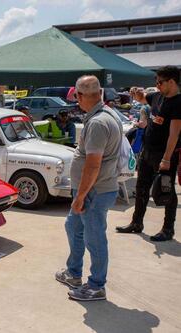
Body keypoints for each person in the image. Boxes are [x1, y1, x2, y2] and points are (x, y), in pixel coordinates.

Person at [56, 75, 122, 301]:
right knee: (73, 227)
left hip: (94, 191)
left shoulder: (97, 123)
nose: (76, 102)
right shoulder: (104, 115)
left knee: (94, 238)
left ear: (81, 95)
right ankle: (74, 272)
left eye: (76, 97)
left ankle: (96, 285)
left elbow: (93, 164)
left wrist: (81, 196)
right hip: (92, 190)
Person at [116, 66, 181, 241]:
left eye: (160, 82)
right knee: (141, 187)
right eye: (156, 81)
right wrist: (135, 93)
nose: (157, 85)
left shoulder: (178, 103)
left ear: (172, 82)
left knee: (166, 191)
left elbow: (174, 134)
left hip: (165, 155)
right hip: (148, 151)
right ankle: (136, 223)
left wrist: (167, 159)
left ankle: (168, 229)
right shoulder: (157, 96)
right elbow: (143, 98)